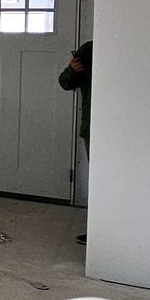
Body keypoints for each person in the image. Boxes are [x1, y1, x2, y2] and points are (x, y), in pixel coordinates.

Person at [59, 41, 93, 244]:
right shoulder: (88, 50)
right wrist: (73, 69)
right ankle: (100, 230)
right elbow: (65, 82)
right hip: (92, 127)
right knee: (99, 181)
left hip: (126, 128)